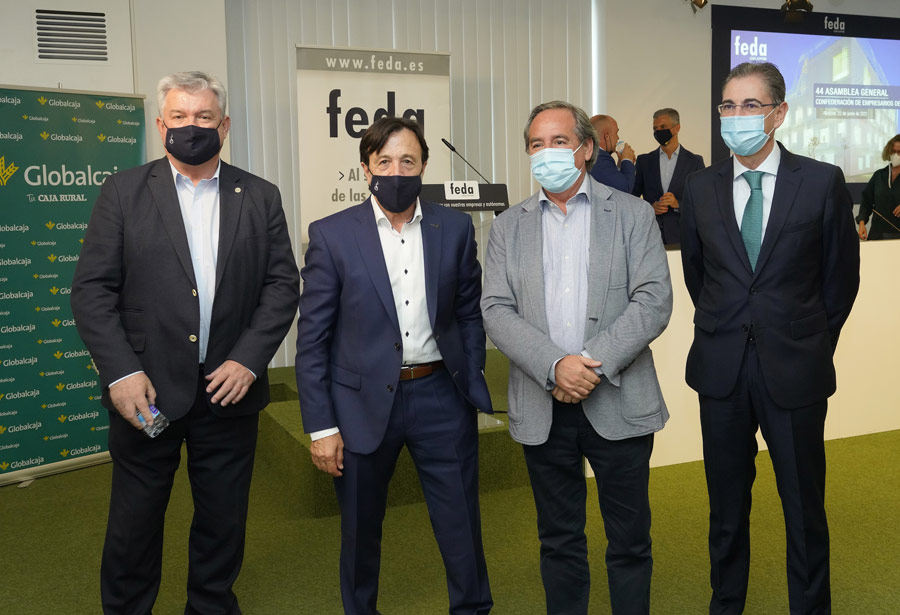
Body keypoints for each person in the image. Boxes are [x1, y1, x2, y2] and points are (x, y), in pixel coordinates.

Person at [71, 71, 300, 614]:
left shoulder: (260, 195)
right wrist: (122, 373)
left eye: (203, 117)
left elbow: (281, 285)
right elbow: (92, 290)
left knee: (223, 520)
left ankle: (210, 605)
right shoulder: (123, 192)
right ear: (160, 124)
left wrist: (249, 360)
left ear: (224, 125)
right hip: (145, 391)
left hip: (228, 390)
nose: (190, 126)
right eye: (179, 116)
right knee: (134, 522)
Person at [680, 62, 860, 615]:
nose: (736, 116)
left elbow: (840, 281)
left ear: (779, 113)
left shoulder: (822, 181)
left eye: (750, 105)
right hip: (722, 372)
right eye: (728, 106)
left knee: (804, 508)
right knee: (726, 509)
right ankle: (726, 603)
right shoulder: (700, 187)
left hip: (796, 371)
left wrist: (808, 343)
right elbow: (698, 276)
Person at [296, 116, 493, 615]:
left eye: (408, 160)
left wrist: (470, 376)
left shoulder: (454, 228)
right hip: (359, 405)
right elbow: (312, 339)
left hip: (440, 397)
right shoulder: (332, 235)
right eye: (384, 161)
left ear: (424, 165)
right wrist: (322, 426)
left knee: (461, 526)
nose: (397, 171)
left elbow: (469, 313)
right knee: (360, 531)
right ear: (366, 169)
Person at [482, 101, 672, 615]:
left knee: (629, 540)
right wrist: (554, 366)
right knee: (559, 540)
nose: (546, 152)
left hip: (619, 402)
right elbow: (495, 309)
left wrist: (588, 363)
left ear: (586, 149)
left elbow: (654, 300)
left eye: (559, 142)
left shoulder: (632, 214)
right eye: (536, 144)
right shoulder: (507, 227)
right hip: (543, 407)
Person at [632, 108, 705, 246]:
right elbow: (632, 198)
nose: (658, 131)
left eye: (663, 127)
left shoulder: (694, 162)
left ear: (677, 128)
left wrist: (678, 204)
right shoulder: (644, 161)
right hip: (649, 236)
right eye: (655, 128)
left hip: (683, 237)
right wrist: (650, 208)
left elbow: (703, 201)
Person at [856, 134, 900, 241]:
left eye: (899, 152)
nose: (896, 155)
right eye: (893, 151)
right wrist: (861, 223)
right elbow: (866, 201)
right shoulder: (879, 175)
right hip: (878, 233)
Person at [588, 114, 636, 192]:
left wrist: (620, 164)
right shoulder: (600, 158)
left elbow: (611, 183)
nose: (618, 138)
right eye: (616, 133)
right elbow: (624, 189)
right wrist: (627, 160)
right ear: (606, 136)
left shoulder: (592, 154)